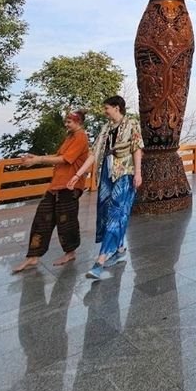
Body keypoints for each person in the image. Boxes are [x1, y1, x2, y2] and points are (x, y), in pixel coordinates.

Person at [67, 96, 143, 280]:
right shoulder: (106, 128)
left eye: (107, 108)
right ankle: (120, 249)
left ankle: (100, 261)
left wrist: (138, 173)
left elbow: (136, 148)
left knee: (116, 213)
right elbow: (94, 153)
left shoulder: (131, 124)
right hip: (107, 171)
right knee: (105, 210)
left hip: (125, 172)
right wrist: (78, 175)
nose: (105, 111)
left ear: (117, 108)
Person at [12, 111, 89, 274]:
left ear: (78, 122)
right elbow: (58, 155)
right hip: (55, 185)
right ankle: (33, 256)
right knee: (42, 218)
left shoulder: (81, 137)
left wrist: (39, 160)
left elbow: (65, 159)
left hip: (70, 186)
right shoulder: (69, 137)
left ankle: (70, 253)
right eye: (66, 121)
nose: (66, 124)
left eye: (69, 122)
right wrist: (37, 158)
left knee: (66, 221)